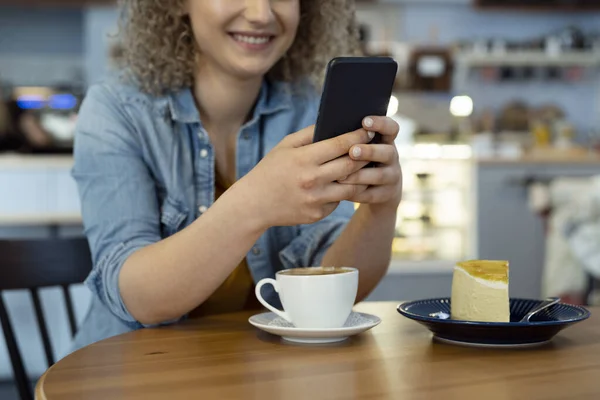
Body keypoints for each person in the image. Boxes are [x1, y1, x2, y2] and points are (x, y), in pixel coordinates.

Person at [71, 0, 403, 350]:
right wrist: (254, 203)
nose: (261, 14)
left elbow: (328, 287)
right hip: (132, 371)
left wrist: (381, 208)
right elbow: (137, 297)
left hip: (261, 373)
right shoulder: (115, 110)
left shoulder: (308, 107)